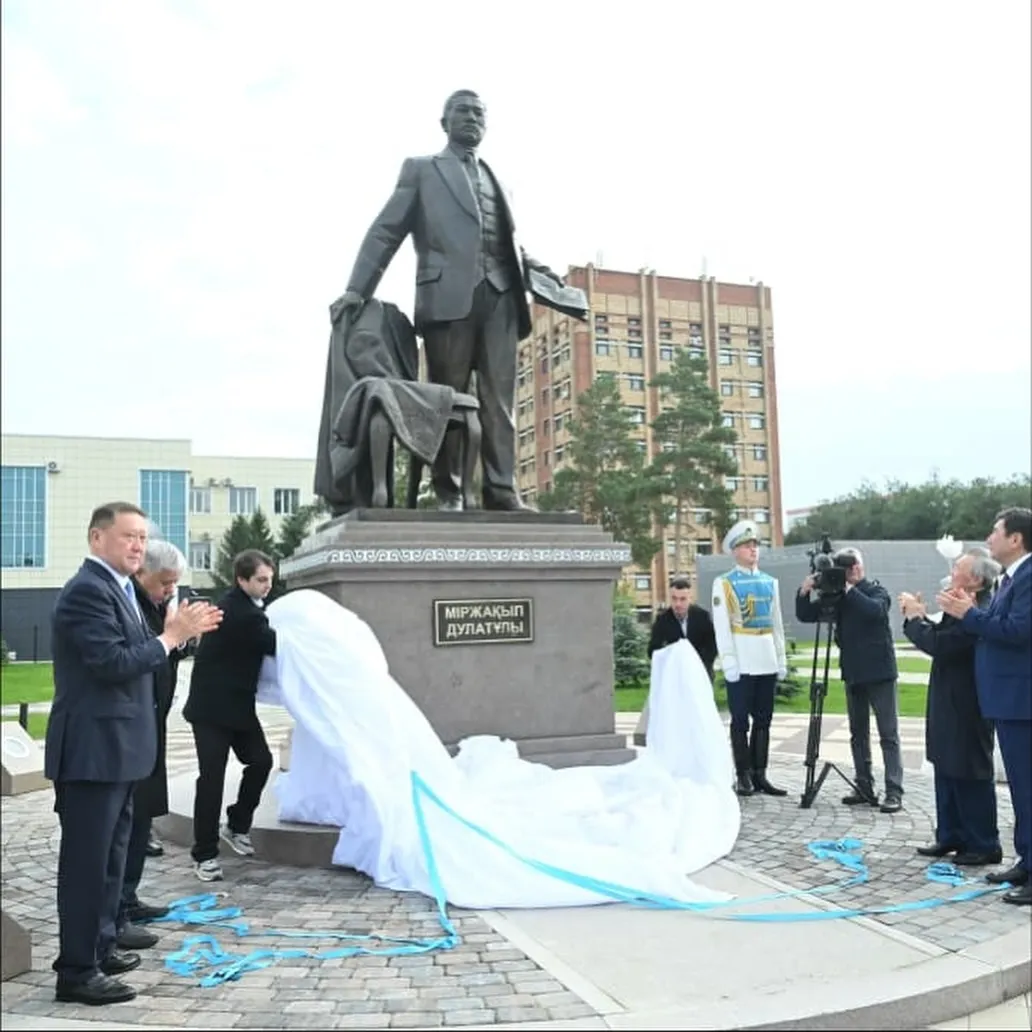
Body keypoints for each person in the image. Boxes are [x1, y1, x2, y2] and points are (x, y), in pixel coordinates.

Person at [328, 89, 565, 512]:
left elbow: (506, 245)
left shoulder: (499, 181)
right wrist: (356, 289)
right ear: (444, 122)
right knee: (445, 399)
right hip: (447, 301)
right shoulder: (422, 170)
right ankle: (449, 491)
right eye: (463, 111)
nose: (472, 118)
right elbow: (386, 230)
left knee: (500, 402)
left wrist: (544, 276)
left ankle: (501, 489)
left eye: (479, 113)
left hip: (501, 300)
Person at [46, 503, 221, 1006]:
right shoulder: (87, 591)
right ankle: (76, 971)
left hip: (121, 752)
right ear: (97, 538)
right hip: (93, 752)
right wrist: (171, 635)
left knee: (111, 860)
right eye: (128, 536)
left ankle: (100, 949)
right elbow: (112, 662)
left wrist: (174, 635)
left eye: (142, 537)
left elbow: (146, 656)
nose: (138, 546)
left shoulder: (121, 589)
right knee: (87, 865)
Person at [939, 507, 1031, 906]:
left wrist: (969, 615)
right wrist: (971, 611)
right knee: (1021, 791)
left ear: (1016, 539)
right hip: (1006, 700)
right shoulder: (1012, 578)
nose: (989, 538)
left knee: (1028, 789)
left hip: (1021, 701)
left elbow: (1018, 631)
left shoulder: (1029, 577)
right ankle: (1026, 861)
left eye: (996, 531)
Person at [900, 548, 1002, 866]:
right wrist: (921, 618)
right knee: (946, 765)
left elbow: (941, 645)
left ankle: (983, 843)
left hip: (969, 702)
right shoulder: (958, 603)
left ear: (976, 580)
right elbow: (939, 635)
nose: (952, 571)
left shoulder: (978, 610)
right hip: (948, 697)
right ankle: (951, 835)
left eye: (958, 567)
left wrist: (915, 618)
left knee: (969, 770)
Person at [183, 549, 277, 882]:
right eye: (261, 580)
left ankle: (236, 824)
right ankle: (205, 855)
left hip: (236, 706)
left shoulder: (240, 605)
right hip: (211, 710)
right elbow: (277, 645)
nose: (268, 585)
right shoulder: (243, 613)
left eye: (270, 579)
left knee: (261, 761)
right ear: (242, 579)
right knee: (211, 779)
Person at [117, 537, 192, 942]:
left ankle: (128, 898)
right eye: (165, 582)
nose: (169, 590)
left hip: (153, 725)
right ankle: (116, 911)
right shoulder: (129, 605)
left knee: (142, 816)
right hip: (130, 732)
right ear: (142, 571)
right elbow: (132, 660)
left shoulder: (156, 605)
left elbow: (162, 656)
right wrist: (169, 637)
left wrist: (182, 638)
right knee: (126, 826)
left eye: (174, 583)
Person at [796, 547, 903, 813]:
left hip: (879, 673)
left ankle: (894, 791)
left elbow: (875, 611)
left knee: (888, 734)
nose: (851, 571)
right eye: (845, 568)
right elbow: (807, 615)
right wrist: (804, 591)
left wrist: (848, 589)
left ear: (860, 567)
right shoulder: (839, 596)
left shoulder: (875, 591)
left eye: (853, 566)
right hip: (854, 673)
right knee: (858, 733)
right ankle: (863, 786)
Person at [711, 520, 788, 798]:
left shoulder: (770, 582)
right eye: (746, 545)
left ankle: (760, 773)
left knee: (764, 719)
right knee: (740, 720)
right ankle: (743, 773)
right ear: (735, 551)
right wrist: (729, 662)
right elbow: (722, 627)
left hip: (765, 658)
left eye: (755, 545)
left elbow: (776, 624)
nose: (753, 550)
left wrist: (780, 659)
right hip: (742, 660)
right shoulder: (724, 583)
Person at [648, 576, 718, 680]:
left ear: (690, 598)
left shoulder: (702, 616)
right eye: (674, 598)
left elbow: (712, 646)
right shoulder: (662, 620)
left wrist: (697, 663)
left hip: (700, 673)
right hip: (674, 675)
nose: (678, 604)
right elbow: (653, 650)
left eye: (683, 599)